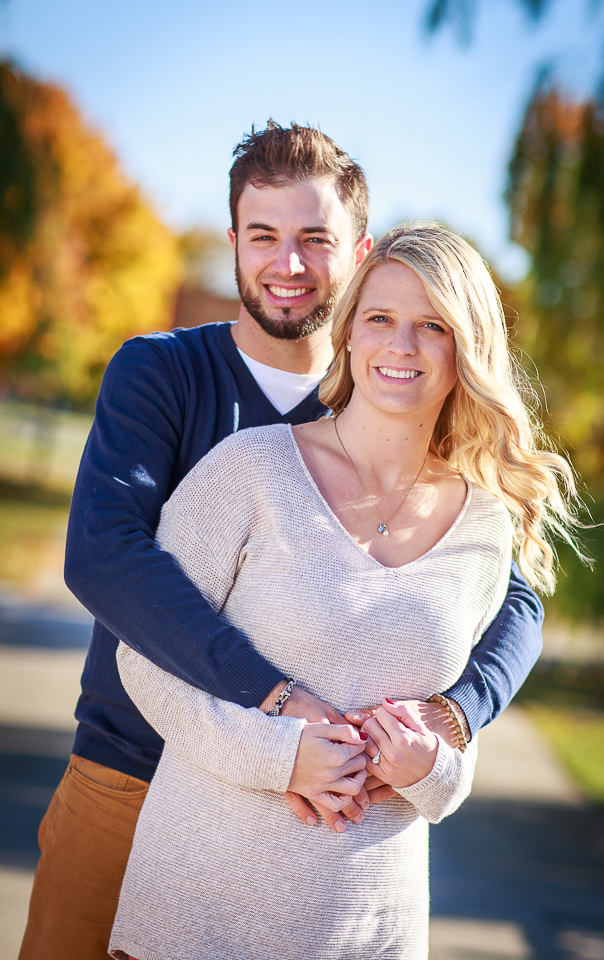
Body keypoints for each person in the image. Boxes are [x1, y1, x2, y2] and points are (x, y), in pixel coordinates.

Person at [18, 124, 543, 960]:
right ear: (233, 242)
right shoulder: (167, 376)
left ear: (358, 251)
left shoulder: (385, 405)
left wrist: (450, 718)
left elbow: (513, 597)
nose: (287, 264)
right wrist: (274, 699)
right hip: (130, 770)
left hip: (332, 832)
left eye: (314, 240)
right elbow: (105, 554)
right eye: (263, 236)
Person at [108, 221, 581, 960]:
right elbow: (144, 660)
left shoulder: (487, 527)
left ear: (467, 351)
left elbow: (453, 757)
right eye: (381, 319)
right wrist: (280, 756)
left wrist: (428, 768)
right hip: (195, 917)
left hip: (369, 933)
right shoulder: (249, 471)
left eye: (434, 327)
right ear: (350, 335)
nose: (402, 346)